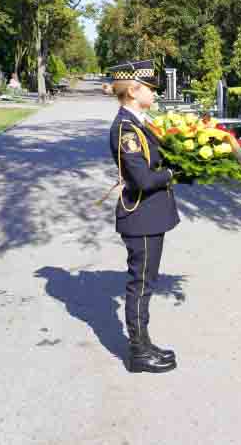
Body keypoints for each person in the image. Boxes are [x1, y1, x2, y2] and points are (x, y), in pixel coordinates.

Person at [107, 59, 181, 374]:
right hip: (142, 217)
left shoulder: (139, 123)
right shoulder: (126, 129)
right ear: (133, 91)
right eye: (150, 88)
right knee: (140, 285)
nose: (155, 93)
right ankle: (138, 352)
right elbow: (143, 179)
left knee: (145, 282)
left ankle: (145, 344)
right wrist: (173, 172)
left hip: (150, 216)